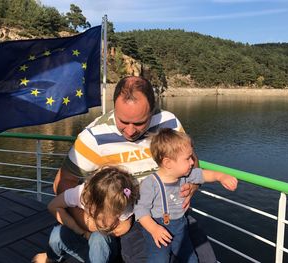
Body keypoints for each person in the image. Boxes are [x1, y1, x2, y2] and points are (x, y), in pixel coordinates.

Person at [53, 76, 224, 262]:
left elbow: (190, 158)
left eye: (140, 123)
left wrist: (193, 186)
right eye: (123, 121)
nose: (130, 131)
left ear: (152, 110)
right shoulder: (93, 138)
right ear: (114, 107)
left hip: (173, 212)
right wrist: (89, 222)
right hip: (130, 220)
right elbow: (63, 182)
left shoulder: (169, 122)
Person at [134, 128, 238, 263]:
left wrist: (221, 176)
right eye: (187, 158)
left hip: (180, 227)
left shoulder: (185, 176)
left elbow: (205, 174)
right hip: (158, 230)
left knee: (190, 259)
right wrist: (154, 229)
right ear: (168, 163)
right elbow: (141, 210)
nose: (192, 162)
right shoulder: (151, 183)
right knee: (158, 259)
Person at [32, 166, 139, 263]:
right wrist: (80, 230)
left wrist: (103, 229)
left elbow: (125, 226)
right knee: (57, 234)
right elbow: (53, 206)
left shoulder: (121, 201)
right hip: (82, 235)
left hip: (105, 249)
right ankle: (51, 258)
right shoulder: (80, 193)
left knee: (98, 239)